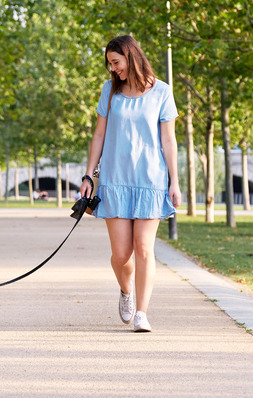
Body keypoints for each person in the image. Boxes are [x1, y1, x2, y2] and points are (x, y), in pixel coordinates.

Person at [79, 35, 181, 332]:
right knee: (121, 255)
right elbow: (99, 135)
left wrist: (174, 182)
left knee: (144, 248)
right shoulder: (110, 91)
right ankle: (126, 290)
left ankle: (141, 313)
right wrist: (88, 175)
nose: (112, 69)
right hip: (115, 181)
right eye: (109, 64)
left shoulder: (162, 91)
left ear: (131, 56)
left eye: (116, 62)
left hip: (150, 181)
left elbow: (168, 140)